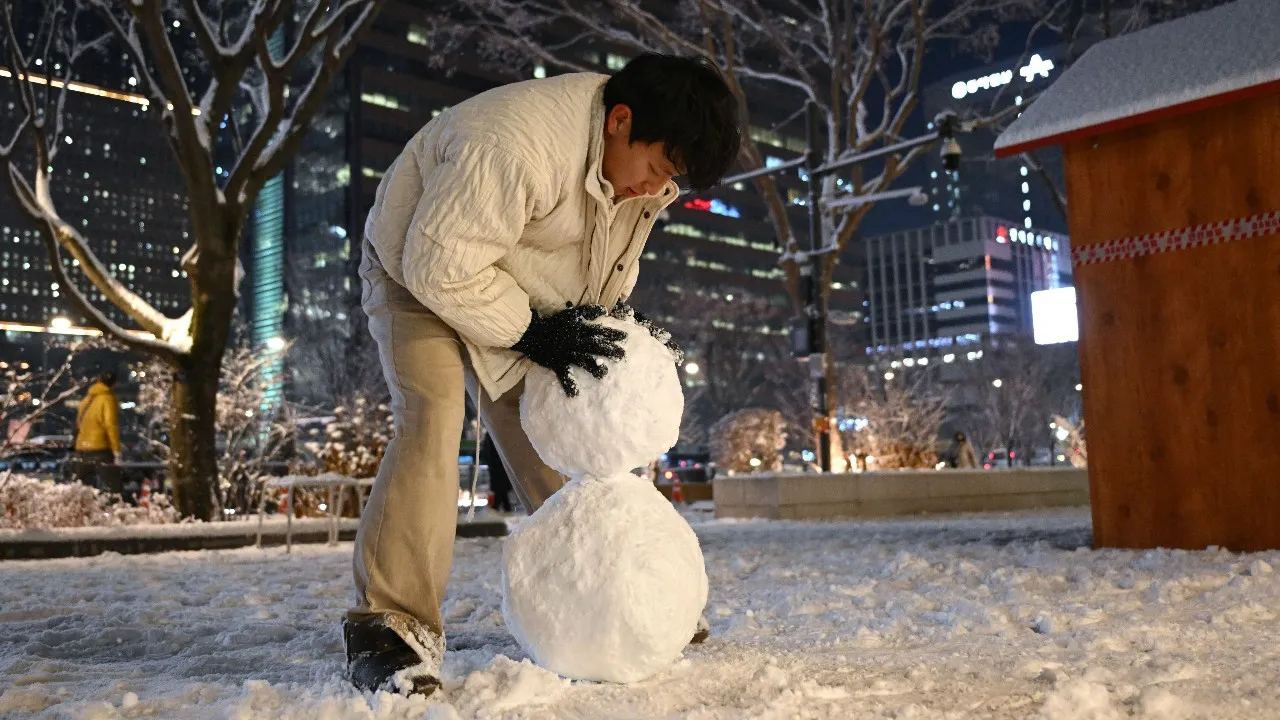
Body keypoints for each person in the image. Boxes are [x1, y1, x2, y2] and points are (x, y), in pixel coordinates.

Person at [344, 53, 740, 696]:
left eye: (670, 179)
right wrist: (531, 333)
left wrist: (600, 329)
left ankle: (618, 587)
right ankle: (388, 625)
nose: (654, 189)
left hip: (514, 281)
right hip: (417, 265)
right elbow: (439, 265)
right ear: (620, 121)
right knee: (434, 415)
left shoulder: (636, 174)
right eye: (657, 169)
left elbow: (603, 268)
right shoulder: (513, 145)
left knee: (561, 425)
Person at [72, 371, 122, 492]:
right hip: (100, 448)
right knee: (113, 487)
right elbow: (110, 425)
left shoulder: (87, 399)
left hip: (82, 448)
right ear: (114, 384)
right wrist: (116, 450)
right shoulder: (108, 399)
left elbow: (78, 422)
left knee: (82, 489)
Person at [478, 433, 514, 513]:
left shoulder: (491, 434)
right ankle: (501, 508)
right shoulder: (499, 434)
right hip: (500, 466)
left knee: (500, 489)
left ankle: (498, 508)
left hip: (496, 467)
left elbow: (486, 453)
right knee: (501, 489)